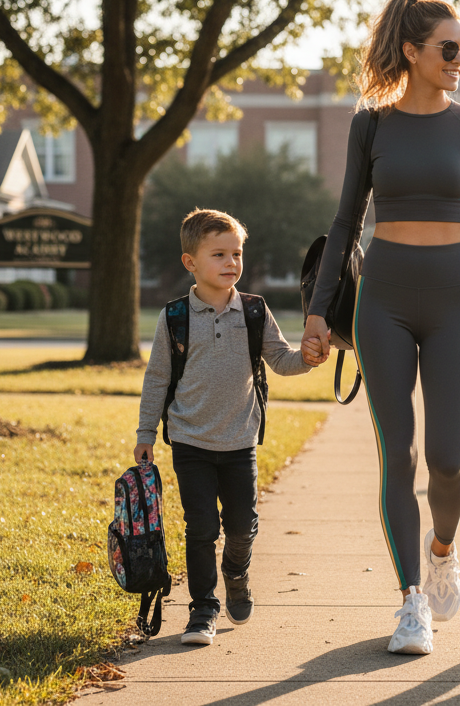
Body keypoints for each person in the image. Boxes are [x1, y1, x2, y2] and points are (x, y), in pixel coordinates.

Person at [300, 0, 460, 655]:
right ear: (412, 51)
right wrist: (317, 313)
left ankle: (442, 549)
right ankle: (410, 603)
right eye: (449, 49)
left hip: (456, 299)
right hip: (384, 301)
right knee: (395, 455)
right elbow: (345, 222)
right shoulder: (370, 124)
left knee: (447, 462)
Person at [134, 209, 316, 647]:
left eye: (236, 253)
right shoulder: (174, 317)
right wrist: (144, 435)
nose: (231, 262)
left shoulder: (254, 311)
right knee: (199, 528)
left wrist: (308, 358)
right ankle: (202, 610)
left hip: (239, 440)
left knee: (241, 525)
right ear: (190, 262)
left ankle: (236, 572)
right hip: (189, 439)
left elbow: (280, 360)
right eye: (219, 254)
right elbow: (157, 378)